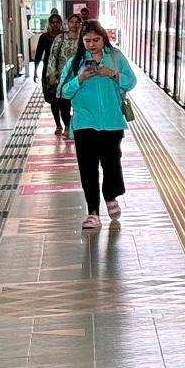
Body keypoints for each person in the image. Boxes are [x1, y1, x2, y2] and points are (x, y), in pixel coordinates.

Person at [59, 20, 137, 230]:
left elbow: (131, 82)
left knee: (112, 164)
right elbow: (63, 92)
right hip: (84, 123)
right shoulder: (75, 63)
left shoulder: (116, 57)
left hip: (112, 122)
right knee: (88, 168)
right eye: (87, 41)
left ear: (103, 38)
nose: (92, 45)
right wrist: (79, 79)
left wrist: (112, 74)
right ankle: (93, 212)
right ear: (82, 42)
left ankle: (110, 195)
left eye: (96, 40)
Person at [45, 13, 80, 136]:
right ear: (67, 23)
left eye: (77, 22)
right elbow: (53, 56)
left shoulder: (83, 38)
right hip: (63, 77)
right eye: (72, 22)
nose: (74, 24)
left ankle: (77, 125)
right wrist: (52, 74)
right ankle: (67, 125)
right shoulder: (60, 38)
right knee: (64, 102)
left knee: (79, 102)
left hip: (80, 76)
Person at [34, 12, 61, 84]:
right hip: (47, 67)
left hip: (63, 68)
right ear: (49, 24)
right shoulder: (44, 37)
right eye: (53, 22)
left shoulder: (65, 36)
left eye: (57, 22)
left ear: (60, 23)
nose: (55, 24)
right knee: (48, 89)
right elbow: (38, 54)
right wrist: (35, 71)